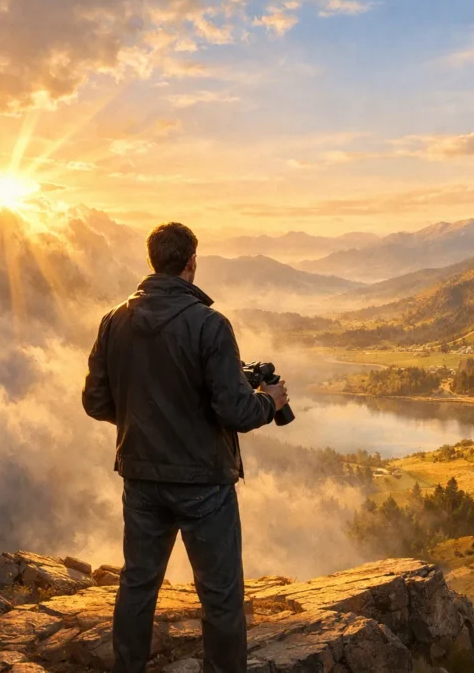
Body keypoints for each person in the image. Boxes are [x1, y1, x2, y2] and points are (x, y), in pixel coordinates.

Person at [81, 222, 288, 673]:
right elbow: (236, 411)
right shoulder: (210, 325)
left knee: (137, 586)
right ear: (192, 261)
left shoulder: (113, 321)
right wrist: (269, 403)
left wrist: (144, 424)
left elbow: (95, 402)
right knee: (220, 596)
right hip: (204, 484)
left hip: (140, 477)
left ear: (152, 260)